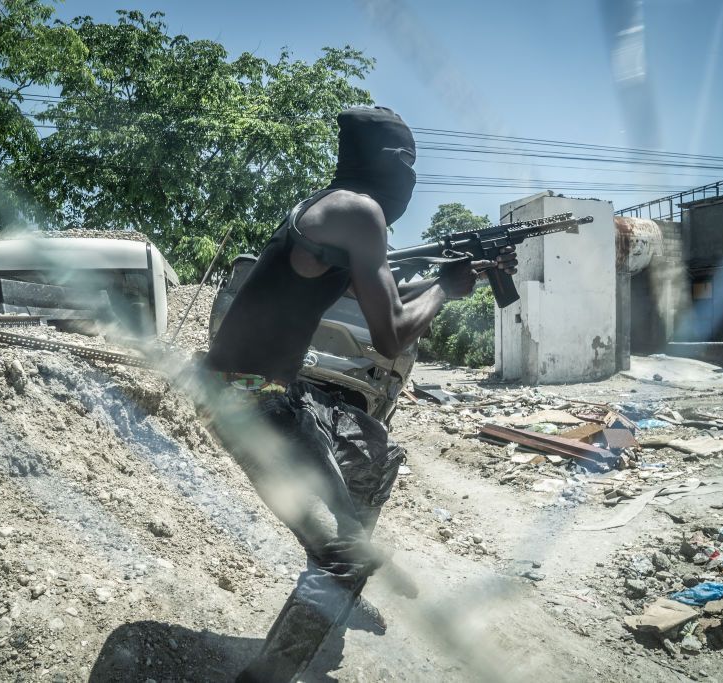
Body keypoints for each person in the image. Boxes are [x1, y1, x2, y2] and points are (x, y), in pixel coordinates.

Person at [199, 106, 517, 683]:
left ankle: (335, 575)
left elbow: (390, 299)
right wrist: (447, 287)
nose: (412, 181)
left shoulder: (336, 208)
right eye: (408, 165)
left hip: (266, 393)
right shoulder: (360, 211)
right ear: (390, 162)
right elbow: (391, 332)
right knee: (349, 555)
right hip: (248, 401)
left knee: (374, 456)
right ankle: (284, 653)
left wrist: (453, 277)